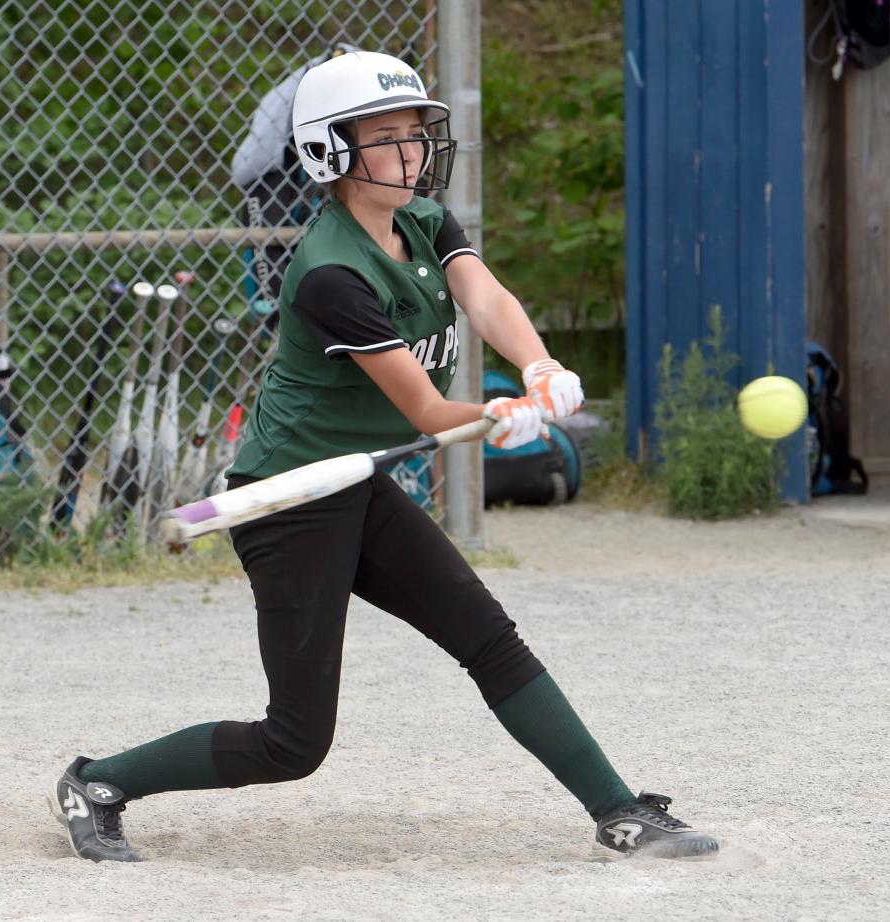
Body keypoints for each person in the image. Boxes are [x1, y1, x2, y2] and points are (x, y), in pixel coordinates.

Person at [52, 50, 718, 863]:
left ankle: (619, 811)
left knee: (488, 637)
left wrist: (538, 367)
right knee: (294, 742)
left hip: (358, 480)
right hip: (289, 501)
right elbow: (428, 410)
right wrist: (497, 414)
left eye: (416, 135)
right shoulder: (330, 273)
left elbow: (484, 296)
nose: (412, 153)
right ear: (331, 152)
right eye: (387, 138)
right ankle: (97, 780)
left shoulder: (425, 222)